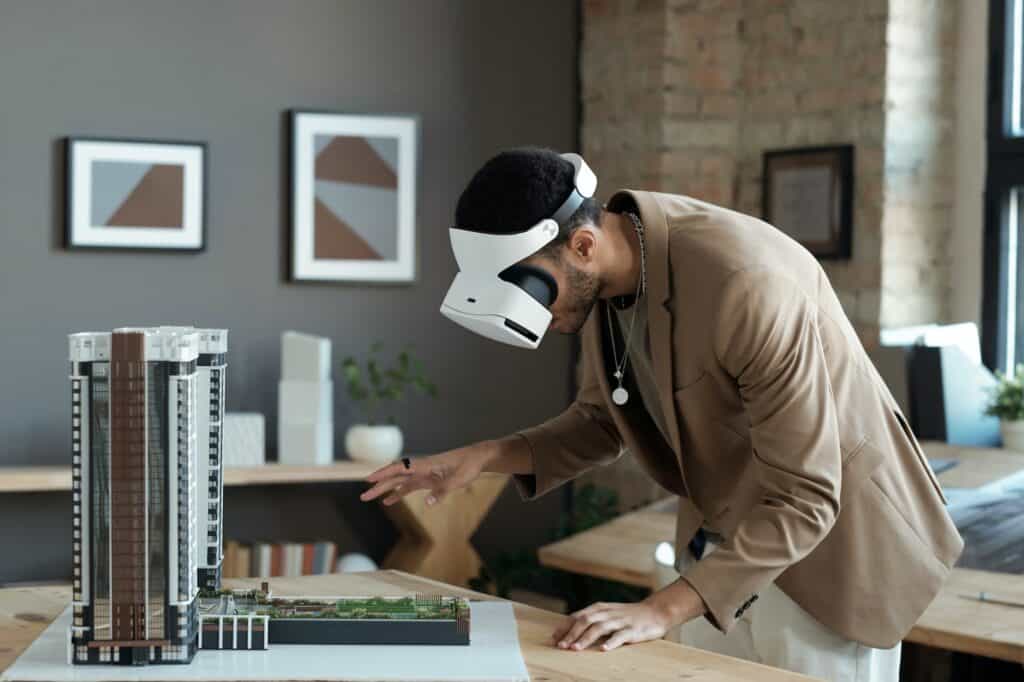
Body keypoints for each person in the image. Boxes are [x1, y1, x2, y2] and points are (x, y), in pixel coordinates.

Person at [360, 148, 963, 680]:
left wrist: (659, 609)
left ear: (583, 244)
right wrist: (483, 458)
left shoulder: (746, 285)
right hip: (725, 543)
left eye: (536, 290)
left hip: (830, 553)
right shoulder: (610, 281)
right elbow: (605, 421)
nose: (540, 313)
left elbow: (807, 495)